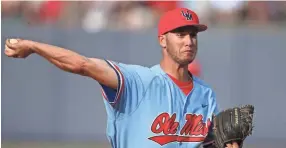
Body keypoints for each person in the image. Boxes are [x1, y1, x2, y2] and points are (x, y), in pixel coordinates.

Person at [4, 8, 240, 148]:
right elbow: (82, 64)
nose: (188, 41)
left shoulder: (206, 94)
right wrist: (33, 46)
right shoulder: (138, 81)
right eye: (180, 34)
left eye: (192, 35)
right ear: (162, 40)